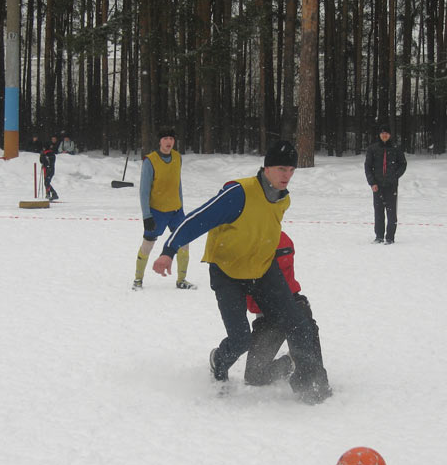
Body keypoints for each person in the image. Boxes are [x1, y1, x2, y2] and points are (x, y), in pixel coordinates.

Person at [152, 140, 332, 404]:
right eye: (282, 169)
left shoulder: (283, 198)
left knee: (298, 323)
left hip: (262, 269)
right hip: (228, 274)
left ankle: (309, 386)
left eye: (291, 170)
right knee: (240, 339)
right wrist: (169, 249)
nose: (287, 176)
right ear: (267, 168)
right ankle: (219, 362)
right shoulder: (239, 193)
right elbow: (198, 218)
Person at [244, 231, 323, 389]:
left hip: (280, 312)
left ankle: (308, 374)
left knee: (255, 375)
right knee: (254, 376)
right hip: (288, 308)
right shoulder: (282, 239)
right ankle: (293, 363)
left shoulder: (253, 243)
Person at [132, 128, 196, 291]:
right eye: (165, 138)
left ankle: (181, 279)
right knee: (148, 245)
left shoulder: (177, 158)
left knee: (184, 243)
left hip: (176, 211)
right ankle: (138, 280)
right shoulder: (150, 161)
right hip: (156, 212)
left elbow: (178, 184)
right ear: (160, 141)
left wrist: (181, 205)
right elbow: (144, 190)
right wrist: (147, 215)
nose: (169, 142)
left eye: (171, 139)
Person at [364, 123, 407, 244]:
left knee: (391, 212)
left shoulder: (396, 148)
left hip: (391, 185)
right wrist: (372, 183)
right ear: (379, 135)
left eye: (386, 133)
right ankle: (379, 236)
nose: (384, 135)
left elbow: (403, 164)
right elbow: (367, 166)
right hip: (377, 186)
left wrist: (395, 176)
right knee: (378, 212)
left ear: (390, 135)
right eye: (382, 133)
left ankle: (390, 237)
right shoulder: (373, 149)